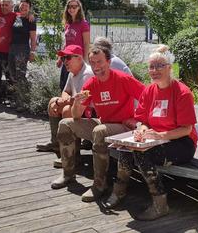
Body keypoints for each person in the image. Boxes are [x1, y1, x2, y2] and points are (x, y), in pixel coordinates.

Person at [104, 45, 197, 221]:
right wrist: (143, 130)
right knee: (125, 148)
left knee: (141, 154)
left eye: (160, 66)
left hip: (181, 142)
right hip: (154, 139)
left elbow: (187, 129)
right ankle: (119, 192)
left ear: (170, 67)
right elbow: (141, 120)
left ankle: (160, 204)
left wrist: (161, 136)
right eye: (151, 67)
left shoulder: (182, 93)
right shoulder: (149, 90)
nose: (154, 71)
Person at [51, 44, 145, 203]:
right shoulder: (91, 83)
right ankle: (68, 175)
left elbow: (147, 96)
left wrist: (140, 121)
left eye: (99, 62)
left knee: (99, 130)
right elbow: (76, 116)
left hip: (123, 127)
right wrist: (77, 104)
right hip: (104, 123)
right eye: (92, 63)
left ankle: (100, 185)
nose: (96, 66)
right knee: (65, 124)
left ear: (108, 62)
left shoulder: (123, 79)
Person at [36, 45, 94, 153]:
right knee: (52, 101)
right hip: (79, 108)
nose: (64, 61)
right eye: (63, 58)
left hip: (90, 113)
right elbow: (66, 91)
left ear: (79, 58)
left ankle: (72, 153)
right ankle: (57, 143)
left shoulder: (87, 74)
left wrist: (60, 103)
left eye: (68, 58)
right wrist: (60, 101)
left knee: (67, 110)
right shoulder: (72, 72)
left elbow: (80, 100)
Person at [8, 0, 37, 112]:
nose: (23, 7)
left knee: (20, 76)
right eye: (22, 5)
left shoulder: (31, 20)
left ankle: (23, 101)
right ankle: (17, 99)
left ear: (29, 8)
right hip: (12, 48)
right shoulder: (16, 17)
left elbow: (33, 38)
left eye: (26, 5)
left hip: (22, 49)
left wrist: (33, 51)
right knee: (13, 74)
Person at [58, 0, 90, 90]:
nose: (71, 9)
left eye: (74, 6)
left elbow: (86, 43)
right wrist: (60, 58)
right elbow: (66, 43)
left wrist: (85, 61)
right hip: (67, 59)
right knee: (63, 86)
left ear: (79, 8)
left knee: (76, 88)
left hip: (77, 60)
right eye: (69, 6)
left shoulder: (83, 24)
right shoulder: (68, 24)